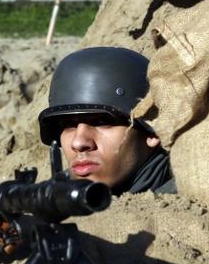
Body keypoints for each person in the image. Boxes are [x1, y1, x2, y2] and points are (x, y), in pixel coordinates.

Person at [38, 46, 176, 195]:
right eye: (68, 125)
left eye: (101, 122)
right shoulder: (51, 197)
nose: (78, 143)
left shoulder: (192, 203)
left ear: (153, 130)